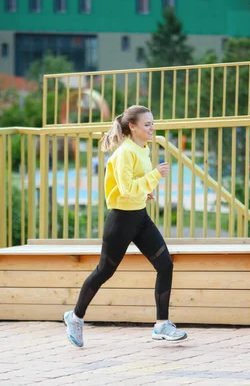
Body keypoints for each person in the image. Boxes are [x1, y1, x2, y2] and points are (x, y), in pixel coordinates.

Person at [63, 105, 187, 347]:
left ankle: (162, 324)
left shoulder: (143, 149)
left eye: (153, 123)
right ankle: (75, 317)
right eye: (147, 124)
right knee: (104, 272)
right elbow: (126, 188)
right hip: (120, 220)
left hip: (139, 217)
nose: (152, 128)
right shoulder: (124, 153)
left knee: (165, 264)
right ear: (132, 126)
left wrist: (147, 192)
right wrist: (155, 176)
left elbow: (134, 187)